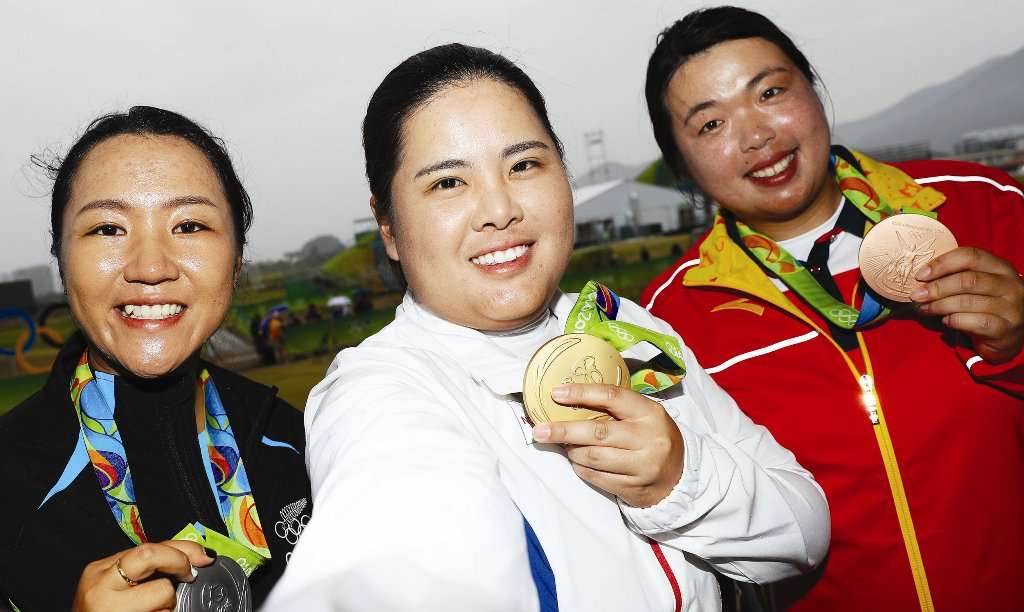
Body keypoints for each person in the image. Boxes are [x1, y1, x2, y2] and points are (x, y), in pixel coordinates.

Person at [265, 43, 829, 612]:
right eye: (448, 183)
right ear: (387, 226)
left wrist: (679, 478)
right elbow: (398, 554)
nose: (499, 209)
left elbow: (803, 531)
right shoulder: (380, 391)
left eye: (524, 165)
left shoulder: (626, 325)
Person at [640, 7, 1024, 611]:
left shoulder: (981, 206)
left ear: (814, 91)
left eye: (770, 92)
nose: (757, 136)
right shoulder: (669, 321)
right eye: (711, 125)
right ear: (681, 164)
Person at [0, 106, 313, 611]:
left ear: (237, 260)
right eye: (107, 229)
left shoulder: (300, 442)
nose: (150, 267)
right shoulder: (10, 479)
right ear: (61, 258)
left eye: (189, 225)